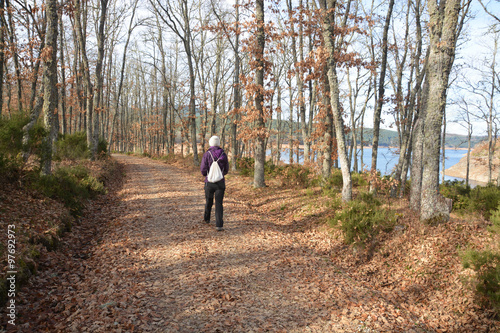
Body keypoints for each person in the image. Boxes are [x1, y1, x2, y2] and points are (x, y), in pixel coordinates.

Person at [200, 136, 229, 231]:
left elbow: (203, 170)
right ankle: (219, 225)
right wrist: (220, 175)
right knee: (219, 203)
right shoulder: (223, 154)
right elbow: (226, 169)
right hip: (220, 183)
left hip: (209, 182)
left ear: (210, 143)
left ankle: (207, 218)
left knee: (209, 201)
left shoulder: (207, 154)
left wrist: (207, 175)